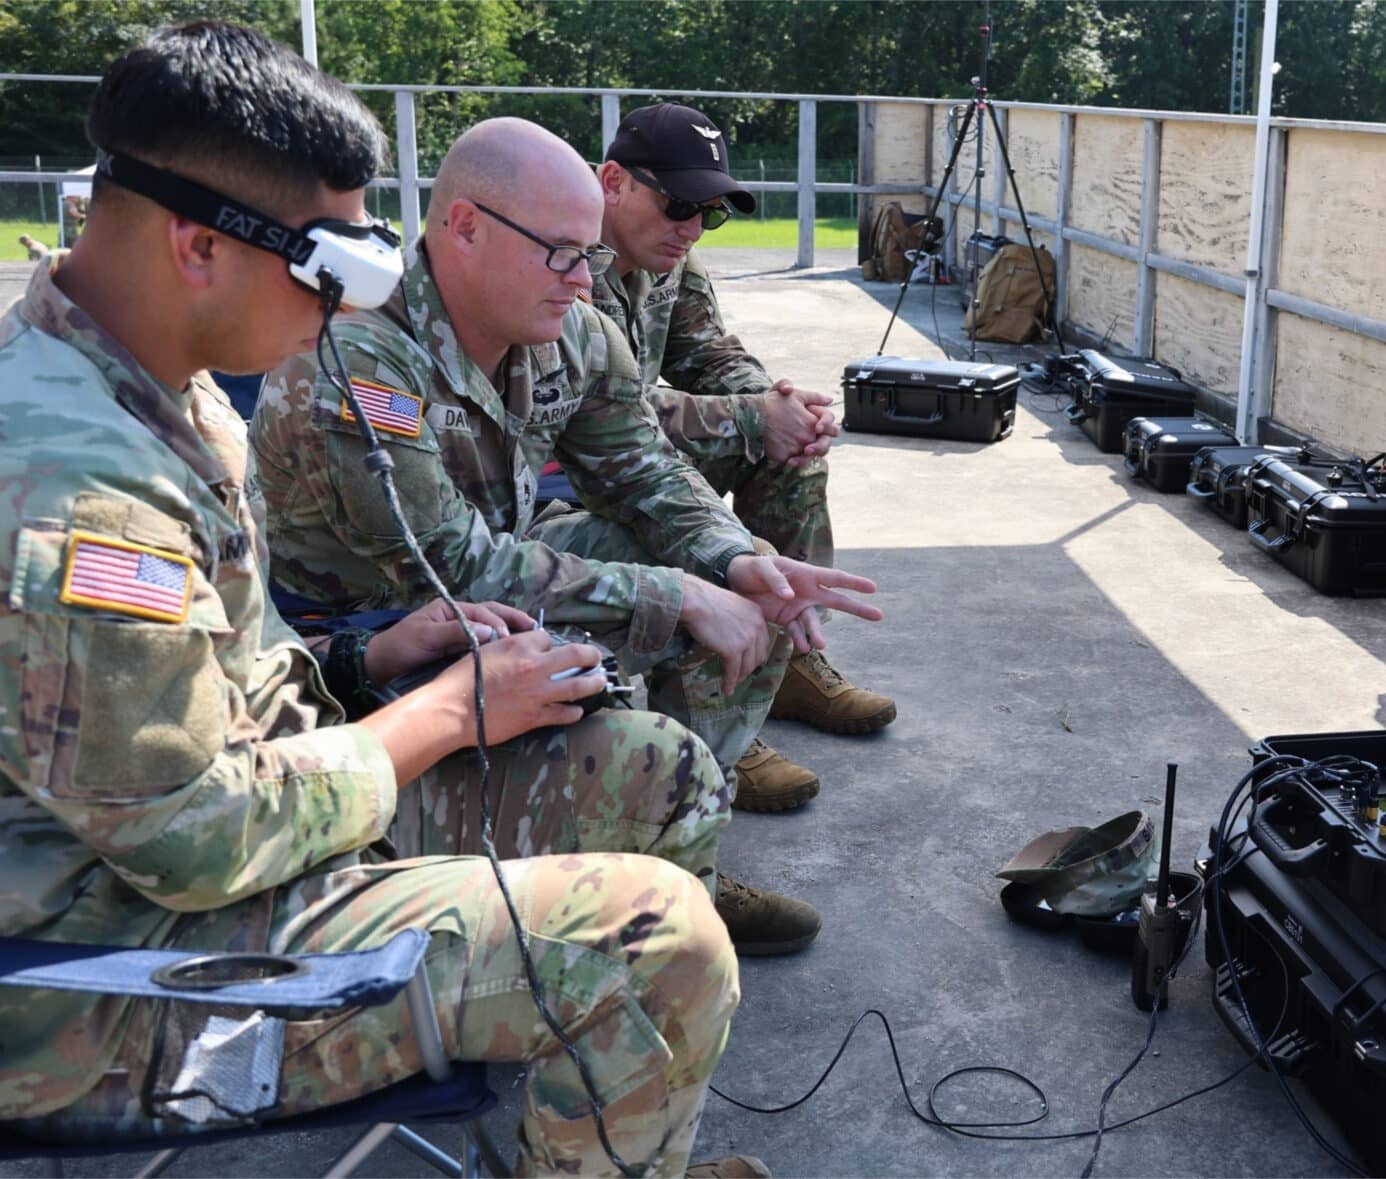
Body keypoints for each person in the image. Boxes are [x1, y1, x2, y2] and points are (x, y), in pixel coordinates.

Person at [0, 23, 763, 1176]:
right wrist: (447, 713)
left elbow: (214, 689)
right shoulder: (83, 492)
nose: (353, 300)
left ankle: (608, 1126)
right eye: (331, 267)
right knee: (655, 946)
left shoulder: (159, 391)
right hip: (104, 971)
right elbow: (193, 841)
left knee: (655, 773)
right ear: (199, 244)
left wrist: (372, 658)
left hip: (231, 840)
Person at [250, 116, 882, 956]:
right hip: (361, 659)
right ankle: (581, 856)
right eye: (562, 254)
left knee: (749, 584)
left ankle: (672, 844)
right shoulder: (358, 357)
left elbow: (644, 469)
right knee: (672, 656)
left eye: (590, 254)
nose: (585, 281)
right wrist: (677, 593)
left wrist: (733, 559)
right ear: (465, 227)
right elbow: (452, 566)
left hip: (491, 604)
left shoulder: (570, 328)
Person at [595, 103, 896, 810]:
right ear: (613, 182)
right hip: (578, 474)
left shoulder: (669, 254)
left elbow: (706, 353)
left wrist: (780, 406)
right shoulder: (558, 262)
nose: (692, 227)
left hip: (646, 451)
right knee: (728, 538)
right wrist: (757, 419)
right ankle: (719, 716)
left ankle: (788, 665)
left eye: (710, 213)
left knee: (790, 457)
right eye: (678, 205)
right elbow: (603, 417)